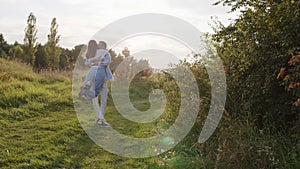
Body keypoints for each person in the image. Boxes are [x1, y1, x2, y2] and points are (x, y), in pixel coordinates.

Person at [79, 40, 113, 127]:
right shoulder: (105, 53)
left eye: (101, 45)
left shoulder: (93, 53)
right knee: (103, 99)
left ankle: (99, 118)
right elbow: (106, 63)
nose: (99, 46)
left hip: (94, 73)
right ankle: (100, 119)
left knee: (95, 98)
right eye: (99, 45)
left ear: (104, 46)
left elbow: (87, 63)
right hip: (101, 76)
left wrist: (95, 61)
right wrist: (99, 62)